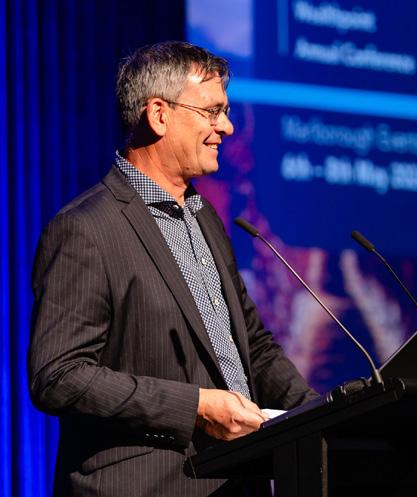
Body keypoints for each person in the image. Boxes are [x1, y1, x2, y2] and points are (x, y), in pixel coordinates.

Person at [27, 41, 317, 497]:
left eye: (225, 111)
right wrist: (196, 407)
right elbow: (59, 376)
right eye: (212, 111)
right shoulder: (86, 228)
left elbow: (253, 347)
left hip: (239, 481)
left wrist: (318, 414)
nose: (227, 126)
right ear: (159, 115)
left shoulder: (204, 217)